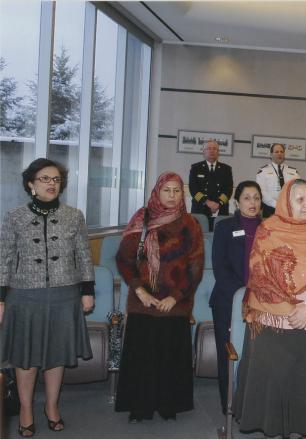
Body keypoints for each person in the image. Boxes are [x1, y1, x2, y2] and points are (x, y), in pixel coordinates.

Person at [235, 179, 306, 438]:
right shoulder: (268, 230)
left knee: (305, 387)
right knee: (275, 387)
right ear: (286, 201)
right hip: (273, 327)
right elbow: (260, 274)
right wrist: (290, 309)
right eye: (299, 199)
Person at [0, 158, 95, 437]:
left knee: (57, 355)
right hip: (25, 296)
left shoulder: (74, 215)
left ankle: (52, 406)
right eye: (45, 178)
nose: (51, 184)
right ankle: (27, 408)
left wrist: (87, 291)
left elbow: (84, 256)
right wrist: (1, 298)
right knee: (25, 357)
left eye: (56, 179)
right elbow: (3, 258)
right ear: (31, 184)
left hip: (65, 295)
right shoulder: (14, 217)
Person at [115, 172, 204, 422]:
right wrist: (140, 290)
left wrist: (175, 297)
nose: (172, 195)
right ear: (157, 192)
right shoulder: (141, 219)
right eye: (167, 190)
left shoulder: (190, 224)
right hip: (143, 302)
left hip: (175, 304)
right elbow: (124, 260)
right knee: (142, 356)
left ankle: (168, 405)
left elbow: (195, 268)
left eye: (177, 191)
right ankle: (139, 407)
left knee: (169, 358)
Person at [210, 181, 262, 413]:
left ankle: (253, 404)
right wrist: (242, 296)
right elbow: (220, 268)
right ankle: (229, 404)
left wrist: (257, 296)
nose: (252, 203)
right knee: (229, 352)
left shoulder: (270, 228)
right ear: (237, 202)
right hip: (228, 300)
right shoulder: (224, 227)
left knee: (258, 353)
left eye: (256, 198)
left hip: (262, 302)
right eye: (247, 198)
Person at [188, 140, 234, 230]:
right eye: (209, 148)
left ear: (218, 152)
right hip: (200, 209)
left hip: (220, 209)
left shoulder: (226, 169)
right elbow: (193, 189)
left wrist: (218, 203)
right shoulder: (196, 168)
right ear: (203, 152)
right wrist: (207, 202)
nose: (212, 151)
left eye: (215, 149)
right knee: (198, 236)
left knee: (220, 235)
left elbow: (228, 189)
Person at [256, 143, 299, 218]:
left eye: (282, 152)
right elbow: (261, 192)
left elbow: (298, 191)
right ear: (271, 155)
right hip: (270, 208)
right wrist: (276, 205)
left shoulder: (294, 172)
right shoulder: (263, 171)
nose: (279, 154)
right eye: (276, 152)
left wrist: (288, 205)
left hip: (289, 208)